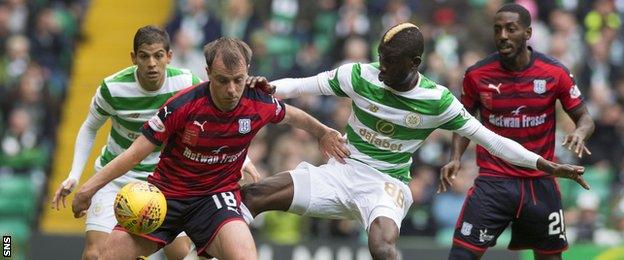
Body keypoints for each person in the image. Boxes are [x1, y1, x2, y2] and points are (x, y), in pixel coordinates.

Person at [243, 22, 589, 260]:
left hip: (386, 183)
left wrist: (545, 165)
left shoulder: (436, 101)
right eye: (380, 56)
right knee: (253, 196)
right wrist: (268, 87)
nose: (380, 66)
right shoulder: (359, 76)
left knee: (381, 247)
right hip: (341, 170)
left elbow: (492, 140)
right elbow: (302, 85)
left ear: (414, 63)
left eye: (389, 62)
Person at [70, 37, 347, 259]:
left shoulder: (257, 101)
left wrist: (322, 131)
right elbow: (133, 154)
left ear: (247, 73)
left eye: (238, 80)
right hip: (166, 197)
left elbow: (291, 115)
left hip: (215, 198)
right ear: (208, 73)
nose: (231, 89)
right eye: (222, 80)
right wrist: (88, 188)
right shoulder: (182, 106)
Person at [438, 4, 595, 260]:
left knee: (550, 258)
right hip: (493, 182)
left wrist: (580, 133)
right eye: (498, 29)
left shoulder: (554, 72)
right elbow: (462, 120)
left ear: (528, 32)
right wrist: (455, 157)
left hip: (540, 181)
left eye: (511, 29)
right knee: (460, 256)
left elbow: (585, 117)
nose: (503, 35)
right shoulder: (477, 75)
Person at [50, 25, 202, 260]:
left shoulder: (187, 83)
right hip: (116, 179)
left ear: (169, 57)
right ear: (134, 58)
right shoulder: (113, 88)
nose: (152, 63)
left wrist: (245, 160)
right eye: (144, 56)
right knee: (95, 254)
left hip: (165, 180)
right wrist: (74, 174)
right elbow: (90, 127)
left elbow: (214, 121)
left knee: (180, 254)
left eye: (158, 56)